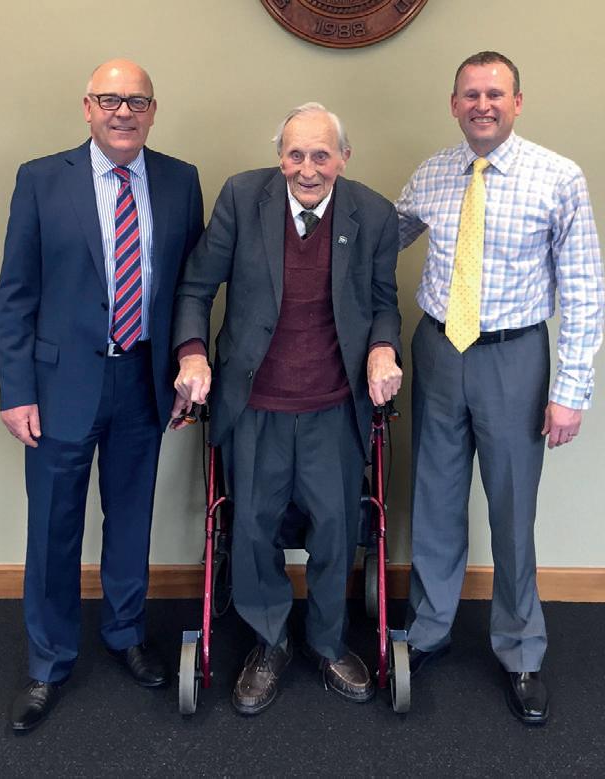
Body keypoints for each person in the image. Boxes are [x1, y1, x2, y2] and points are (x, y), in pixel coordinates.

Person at [171, 102, 402, 715]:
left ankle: (328, 642)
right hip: (255, 404)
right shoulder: (241, 197)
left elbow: (384, 303)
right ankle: (269, 642)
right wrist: (192, 354)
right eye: (295, 154)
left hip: (334, 405)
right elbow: (196, 287)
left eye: (321, 155)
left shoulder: (373, 213)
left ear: (343, 158)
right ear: (280, 157)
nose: (307, 168)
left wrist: (383, 349)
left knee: (336, 531)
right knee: (252, 529)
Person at [395, 51, 605, 725]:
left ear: (517, 102)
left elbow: (584, 287)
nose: (481, 104)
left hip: (514, 358)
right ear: (453, 104)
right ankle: (428, 631)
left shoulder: (558, 177)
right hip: (438, 349)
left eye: (495, 93)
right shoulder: (433, 173)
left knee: (512, 510)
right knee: (433, 498)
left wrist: (570, 388)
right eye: (470, 94)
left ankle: (520, 651)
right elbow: (376, 240)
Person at [0, 59, 204, 732]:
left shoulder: (180, 181)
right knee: (53, 527)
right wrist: (16, 389)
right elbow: (15, 293)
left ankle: (125, 633)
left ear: (153, 111)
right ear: (87, 107)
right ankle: (48, 661)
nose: (123, 112)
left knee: (131, 518)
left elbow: (190, 290)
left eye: (137, 101)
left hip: (142, 380)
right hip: (59, 387)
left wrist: (185, 365)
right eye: (110, 99)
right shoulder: (40, 179)